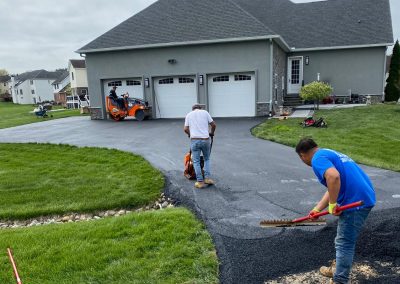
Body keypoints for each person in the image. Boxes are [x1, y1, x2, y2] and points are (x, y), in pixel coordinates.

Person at [295, 138, 376, 284]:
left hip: (355, 202)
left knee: (344, 242)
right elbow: (332, 184)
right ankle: (338, 269)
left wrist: (333, 204)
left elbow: (333, 177)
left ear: (302, 155)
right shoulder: (327, 153)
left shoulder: (317, 159)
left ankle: (340, 279)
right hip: (363, 197)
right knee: (342, 239)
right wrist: (317, 209)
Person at [184, 104, 216, 189]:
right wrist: (212, 133)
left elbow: (185, 129)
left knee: (196, 161)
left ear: (193, 109)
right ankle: (207, 178)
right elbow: (213, 125)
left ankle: (200, 182)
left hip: (195, 140)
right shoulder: (205, 112)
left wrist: (190, 134)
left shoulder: (189, 114)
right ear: (200, 108)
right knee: (207, 159)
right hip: (206, 140)